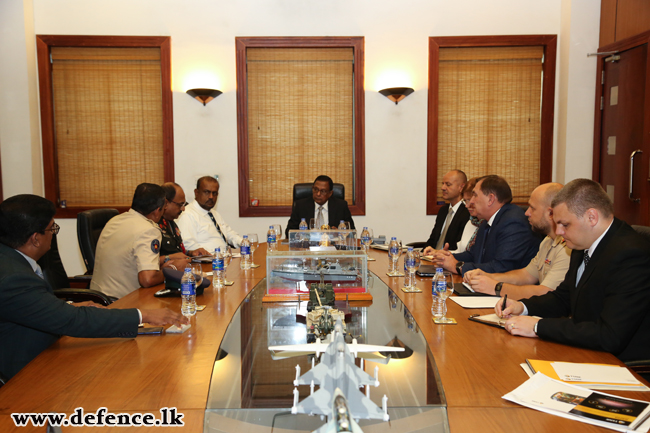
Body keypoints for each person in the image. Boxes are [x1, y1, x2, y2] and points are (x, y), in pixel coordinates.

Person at [0, 194, 187, 380]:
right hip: (26, 373)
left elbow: (30, 307)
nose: (53, 235)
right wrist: (144, 315)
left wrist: (68, 306)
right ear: (35, 239)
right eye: (52, 229)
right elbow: (71, 321)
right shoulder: (14, 278)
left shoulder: (10, 260)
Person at [496, 179, 650, 364]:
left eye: (565, 224)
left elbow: (609, 335)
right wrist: (523, 307)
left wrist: (538, 326)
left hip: (622, 365)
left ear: (591, 217)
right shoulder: (582, 244)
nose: (558, 231)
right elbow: (563, 297)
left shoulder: (631, 255)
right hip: (585, 350)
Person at [464, 183, 571, 300]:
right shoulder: (547, 241)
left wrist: (496, 287)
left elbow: (545, 292)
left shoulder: (567, 247)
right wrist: (487, 276)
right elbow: (526, 275)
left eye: (532, 208)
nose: (527, 213)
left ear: (550, 213)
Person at [91, 183, 189, 299]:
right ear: (157, 211)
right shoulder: (148, 230)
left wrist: (166, 261)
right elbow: (147, 279)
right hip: (122, 302)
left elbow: (130, 259)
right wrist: (173, 269)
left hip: (97, 299)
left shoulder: (114, 220)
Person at [434, 175, 541, 275]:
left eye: (475, 195)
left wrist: (458, 266)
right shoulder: (487, 221)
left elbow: (502, 267)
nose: (471, 201)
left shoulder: (513, 222)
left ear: (490, 199)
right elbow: (473, 255)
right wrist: (448, 257)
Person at [176, 176, 243, 253]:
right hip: (207, 261)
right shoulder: (187, 214)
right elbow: (188, 245)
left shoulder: (214, 214)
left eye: (214, 193)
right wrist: (214, 255)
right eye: (207, 192)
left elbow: (230, 234)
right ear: (196, 193)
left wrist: (244, 243)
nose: (211, 197)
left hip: (223, 258)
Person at [424, 176, 477, 256]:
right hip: (436, 258)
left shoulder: (469, 213)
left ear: (461, 187)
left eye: (448, 184)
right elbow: (433, 240)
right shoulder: (443, 210)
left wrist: (441, 254)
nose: (442, 188)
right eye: (443, 184)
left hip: (450, 260)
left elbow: (462, 251)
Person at [285, 175, 355, 237]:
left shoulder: (341, 206)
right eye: (315, 189)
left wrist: (339, 233)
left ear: (330, 193)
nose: (318, 194)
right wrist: (304, 234)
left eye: (323, 191)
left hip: (333, 247)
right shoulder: (301, 206)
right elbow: (289, 232)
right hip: (307, 248)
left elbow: (352, 232)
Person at [159, 182, 210, 259]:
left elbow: (177, 251)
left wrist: (191, 252)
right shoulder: (154, 225)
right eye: (180, 205)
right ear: (166, 203)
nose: (183, 209)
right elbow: (149, 261)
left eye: (184, 205)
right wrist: (169, 258)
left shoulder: (172, 223)